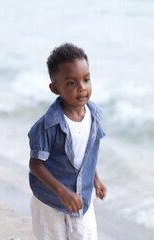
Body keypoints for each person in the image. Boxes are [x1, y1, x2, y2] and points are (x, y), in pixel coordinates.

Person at [28, 43, 107, 240]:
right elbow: (35, 165)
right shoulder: (47, 125)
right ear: (55, 88)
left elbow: (87, 153)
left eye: (86, 79)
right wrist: (62, 191)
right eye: (71, 83)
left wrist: (95, 179)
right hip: (50, 200)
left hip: (82, 195)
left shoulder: (94, 115)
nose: (82, 87)